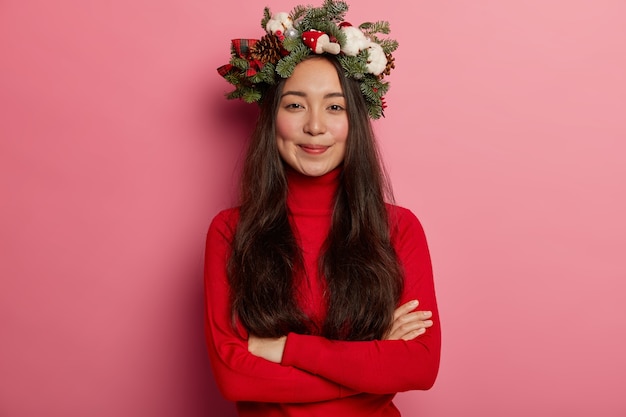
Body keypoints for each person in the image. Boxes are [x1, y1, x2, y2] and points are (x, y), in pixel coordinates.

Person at [204, 1, 441, 416]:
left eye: (335, 107)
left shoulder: (398, 228)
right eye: (295, 105)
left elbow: (419, 367)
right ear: (271, 117)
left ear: (356, 121)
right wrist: (372, 363)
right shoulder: (230, 231)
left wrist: (285, 350)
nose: (315, 126)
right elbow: (233, 378)